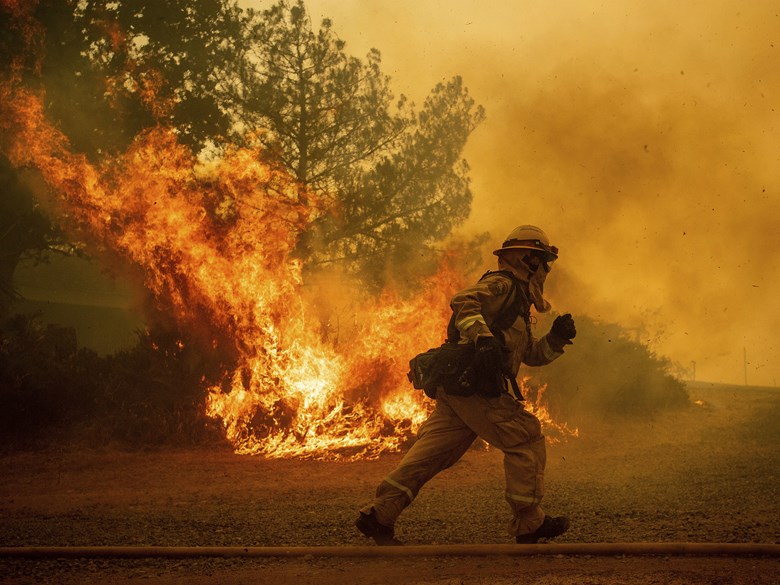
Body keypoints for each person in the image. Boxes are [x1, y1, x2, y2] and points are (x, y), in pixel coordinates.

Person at [355, 225, 576, 545]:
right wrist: (483, 339)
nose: (546, 270)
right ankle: (529, 522)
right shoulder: (502, 285)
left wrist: (556, 340)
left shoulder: (518, 304)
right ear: (529, 260)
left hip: (460, 390)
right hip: (474, 386)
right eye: (544, 262)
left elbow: (528, 355)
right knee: (525, 438)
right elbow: (463, 302)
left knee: (433, 453)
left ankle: (379, 514)